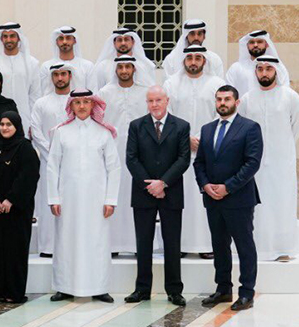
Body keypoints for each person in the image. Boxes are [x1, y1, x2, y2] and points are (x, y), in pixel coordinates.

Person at [46, 90, 121, 303]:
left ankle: (99, 287)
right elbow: (52, 167)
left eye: (86, 102)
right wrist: (54, 198)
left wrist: (110, 200)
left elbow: (114, 168)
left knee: (97, 241)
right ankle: (64, 287)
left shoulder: (103, 133)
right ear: (71, 106)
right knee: (66, 241)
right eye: (77, 102)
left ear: (92, 105)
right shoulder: (61, 132)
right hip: (67, 200)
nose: (81, 106)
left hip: (97, 201)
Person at [194, 85, 263, 311]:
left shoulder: (250, 128)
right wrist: (205, 185)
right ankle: (223, 289)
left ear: (236, 102)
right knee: (219, 245)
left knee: (244, 246)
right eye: (219, 99)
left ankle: (246, 293)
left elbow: (252, 163)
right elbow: (199, 162)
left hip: (239, 198)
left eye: (227, 99)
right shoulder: (207, 129)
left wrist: (228, 187)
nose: (222, 103)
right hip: (212, 198)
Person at [124, 86, 191, 305]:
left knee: (172, 243)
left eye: (158, 100)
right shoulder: (136, 126)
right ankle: (142, 289)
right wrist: (150, 186)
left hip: (171, 192)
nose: (154, 104)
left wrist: (163, 183)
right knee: (143, 243)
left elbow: (183, 159)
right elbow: (131, 159)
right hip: (143, 192)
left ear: (167, 101)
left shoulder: (181, 126)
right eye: (150, 101)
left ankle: (174, 290)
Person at [239, 55, 299, 261]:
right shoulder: (247, 98)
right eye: (260, 69)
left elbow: (297, 126)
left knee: (282, 202)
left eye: (268, 69)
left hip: (281, 161)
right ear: (255, 72)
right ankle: (257, 247)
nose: (264, 73)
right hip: (254, 162)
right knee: (257, 206)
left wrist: (281, 149)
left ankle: (282, 249)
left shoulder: (290, 97)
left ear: (276, 71)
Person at [165, 44, 228, 258]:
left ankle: (207, 245)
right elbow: (167, 114)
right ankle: (180, 244)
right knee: (180, 200)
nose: (193, 61)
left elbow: (221, 113)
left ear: (204, 61)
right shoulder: (171, 84)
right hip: (178, 151)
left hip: (208, 150)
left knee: (206, 200)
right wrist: (185, 138)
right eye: (189, 57)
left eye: (197, 58)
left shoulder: (217, 84)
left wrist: (202, 138)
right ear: (183, 60)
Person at [97, 55, 150, 256]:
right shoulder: (104, 93)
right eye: (121, 67)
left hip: (142, 153)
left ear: (134, 69)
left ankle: (138, 245)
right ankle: (113, 245)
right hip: (113, 150)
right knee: (115, 193)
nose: (125, 70)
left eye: (128, 67)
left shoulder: (145, 92)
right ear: (116, 70)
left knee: (138, 195)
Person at [0, 112, 39, 303]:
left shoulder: (25, 148)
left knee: (15, 251)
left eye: (9, 124)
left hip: (17, 211)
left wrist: (11, 200)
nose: (5, 128)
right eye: (2, 124)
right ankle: (1, 291)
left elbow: (28, 177)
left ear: (17, 126)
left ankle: (15, 292)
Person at [28, 62, 75, 256]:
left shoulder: (78, 102)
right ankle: (48, 247)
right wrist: (53, 153)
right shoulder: (41, 103)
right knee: (48, 203)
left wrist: (68, 153)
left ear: (70, 76)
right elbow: (35, 130)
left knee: (71, 203)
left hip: (73, 163)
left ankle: (70, 245)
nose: (60, 78)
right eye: (56, 75)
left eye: (63, 74)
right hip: (48, 163)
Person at [0, 22, 41, 117]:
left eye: (12, 36)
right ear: (1, 39)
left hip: (24, 116)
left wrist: (33, 119)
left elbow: (35, 94)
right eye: (5, 36)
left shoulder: (32, 63)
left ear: (19, 38)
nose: (8, 40)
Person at [35, 26, 94, 101]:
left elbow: (92, 95)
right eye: (61, 38)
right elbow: (43, 93)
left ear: (75, 41)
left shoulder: (87, 66)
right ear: (56, 42)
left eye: (68, 38)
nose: (64, 42)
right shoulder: (46, 66)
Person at [90, 28, 156, 91]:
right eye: (119, 40)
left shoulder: (144, 65)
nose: (123, 43)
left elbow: (151, 90)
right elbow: (98, 91)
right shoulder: (103, 66)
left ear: (133, 42)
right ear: (114, 43)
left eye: (126, 39)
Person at [228, 29, 281, 96]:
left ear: (267, 44)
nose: (255, 45)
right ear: (247, 46)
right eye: (252, 42)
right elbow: (228, 93)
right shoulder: (236, 68)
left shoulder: (277, 68)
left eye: (259, 42)